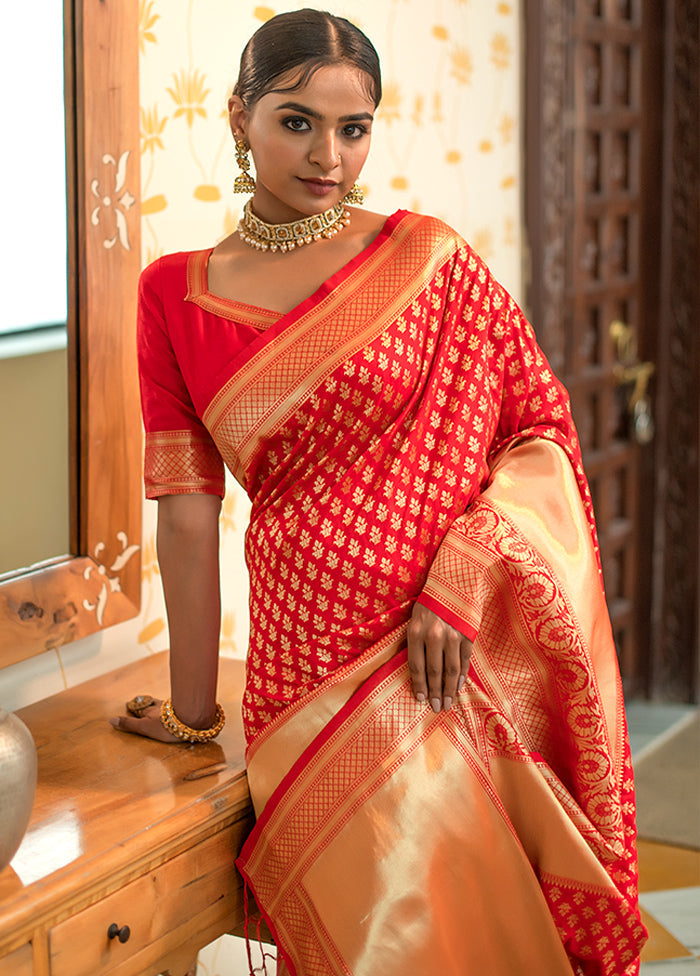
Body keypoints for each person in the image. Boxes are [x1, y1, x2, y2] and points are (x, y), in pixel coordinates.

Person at [112, 9, 647, 975]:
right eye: (297, 121)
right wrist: (197, 712)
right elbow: (186, 521)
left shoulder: (429, 261)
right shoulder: (173, 295)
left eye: (353, 128)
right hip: (303, 668)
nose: (329, 155)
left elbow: (537, 435)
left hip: (442, 656)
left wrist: (463, 572)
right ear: (239, 117)